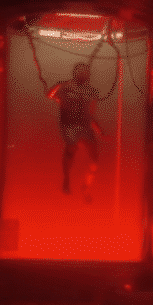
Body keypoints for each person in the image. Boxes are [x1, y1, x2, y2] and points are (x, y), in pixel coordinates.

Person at [47, 62, 103, 202]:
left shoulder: (85, 98)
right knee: (71, 150)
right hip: (71, 129)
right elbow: (50, 95)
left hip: (84, 129)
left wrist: (99, 131)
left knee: (94, 161)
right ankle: (66, 180)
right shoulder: (67, 97)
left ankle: (85, 187)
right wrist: (60, 85)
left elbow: (89, 117)